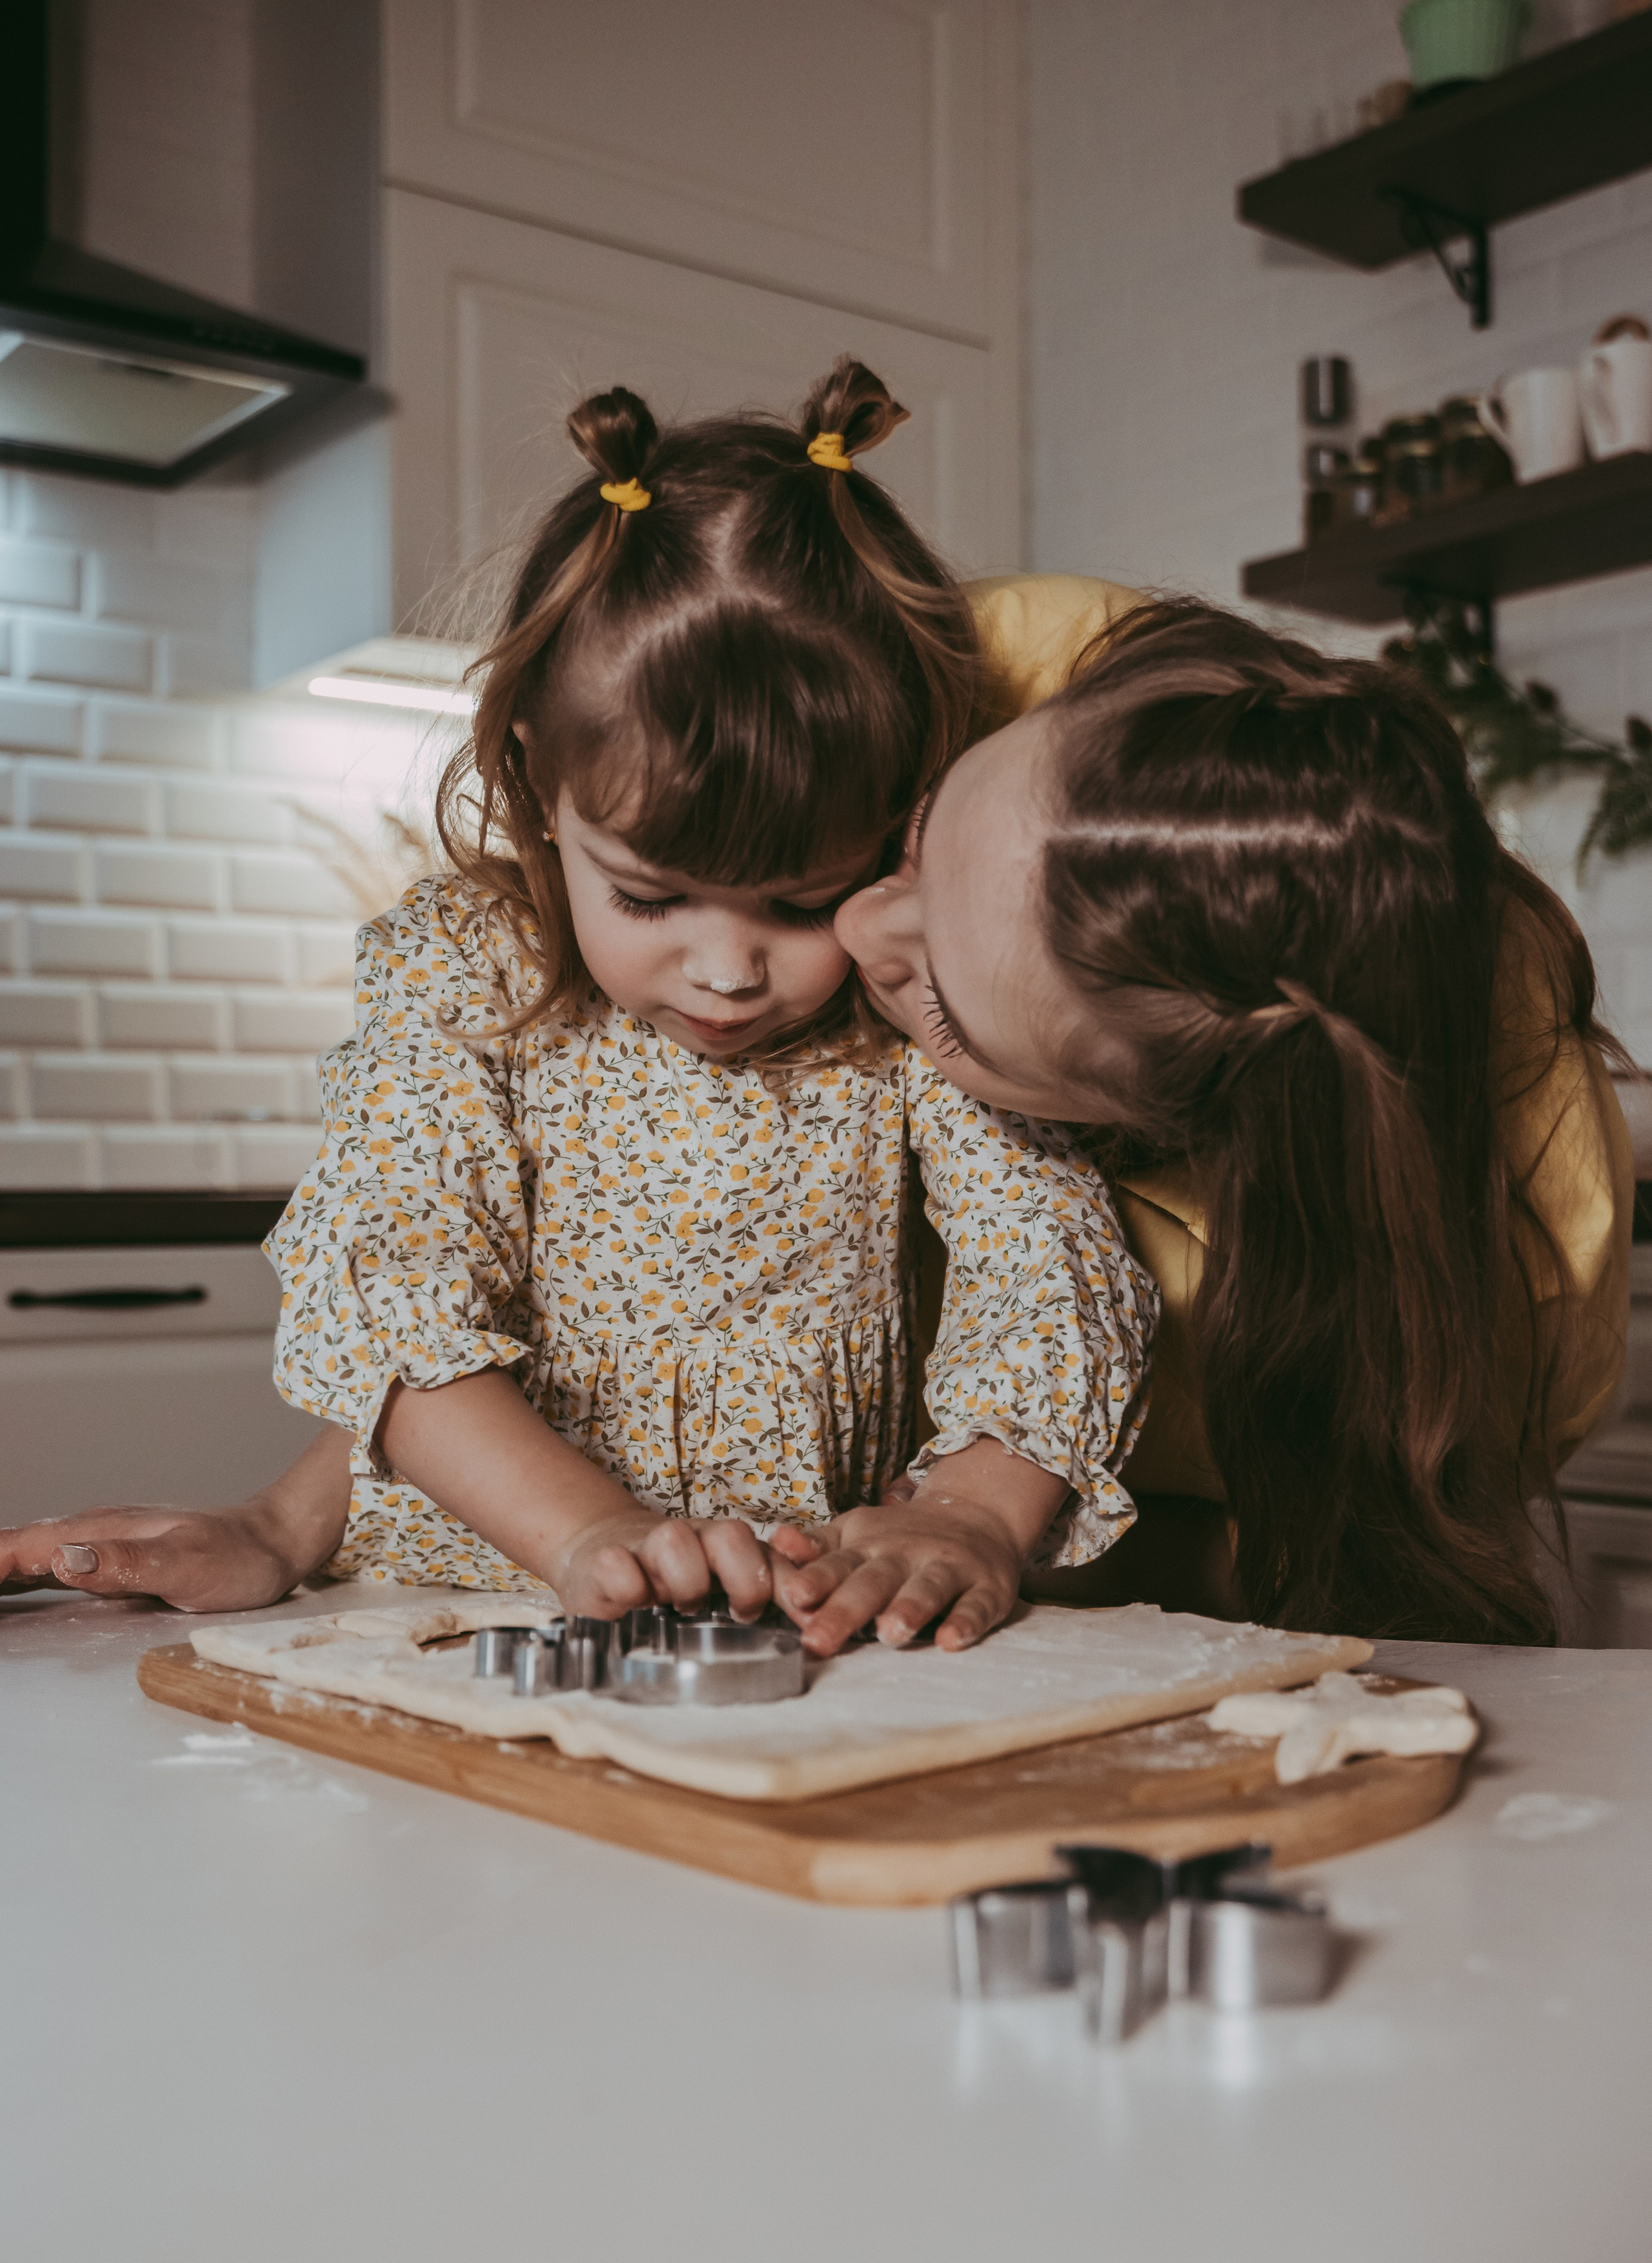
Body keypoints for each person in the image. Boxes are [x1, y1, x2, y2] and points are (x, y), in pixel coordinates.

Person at [0, 368, 1154, 1655]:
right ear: (539, 789)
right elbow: (400, 1301)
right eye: (652, 896)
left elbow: (1041, 1263)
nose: (725, 970)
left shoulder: (900, 1004)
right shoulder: (467, 971)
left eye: (798, 900)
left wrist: (976, 1515)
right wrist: (555, 1534)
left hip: (783, 1627)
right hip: (441, 1612)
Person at [836, 584, 1636, 1642]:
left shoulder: (1516, 1301)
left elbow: (1316, 1571)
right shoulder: (978, 660)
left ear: (1171, 1131)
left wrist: (976, 1531)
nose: (853, 925)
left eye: (945, 1011)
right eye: (919, 831)